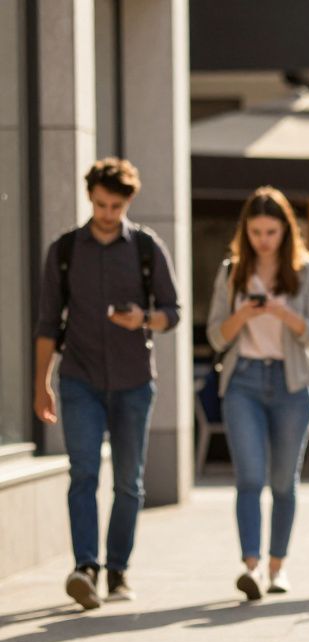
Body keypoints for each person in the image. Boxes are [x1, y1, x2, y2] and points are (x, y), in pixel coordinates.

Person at [33, 157, 182, 610]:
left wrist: (144, 319)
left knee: (129, 483)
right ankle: (85, 567)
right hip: (78, 379)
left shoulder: (145, 249)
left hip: (135, 382)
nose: (106, 213)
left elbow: (173, 311)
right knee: (83, 474)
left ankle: (118, 568)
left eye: (115, 206)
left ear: (128, 202)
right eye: (100, 204)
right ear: (89, 197)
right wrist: (42, 384)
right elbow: (46, 324)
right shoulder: (63, 252)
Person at [206, 186, 309, 601]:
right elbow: (216, 336)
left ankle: (278, 566)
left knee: (282, 482)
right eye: (255, 231)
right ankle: (251, 567)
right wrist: (243, 313)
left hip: (291, 385)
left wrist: (283, 314)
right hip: (243, 383)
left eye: (271, 231)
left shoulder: (306, 271)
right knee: (249, 478)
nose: (263, 240)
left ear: (285, 231)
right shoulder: (231, 272)